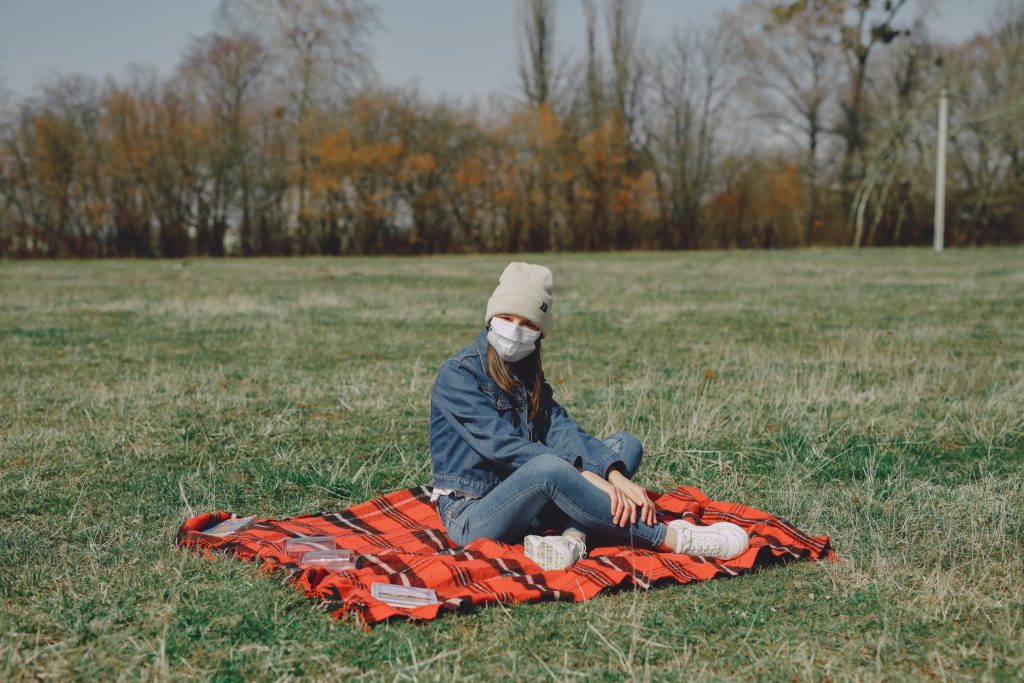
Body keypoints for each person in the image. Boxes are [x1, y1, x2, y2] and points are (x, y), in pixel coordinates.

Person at [428, 262, 748, 570]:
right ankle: (672, 539)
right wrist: (585, 476)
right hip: (472, 514)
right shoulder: (458, 375)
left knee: (624, 445)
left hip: (530, 506)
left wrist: (613, 477)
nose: (515, 330)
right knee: (549, 467)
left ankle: (572, 540)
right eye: (506, 317)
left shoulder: (526, 374)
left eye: (527, 323)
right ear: (490, 318)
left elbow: (562, 429)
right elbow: (505, 447)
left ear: (540, 333)